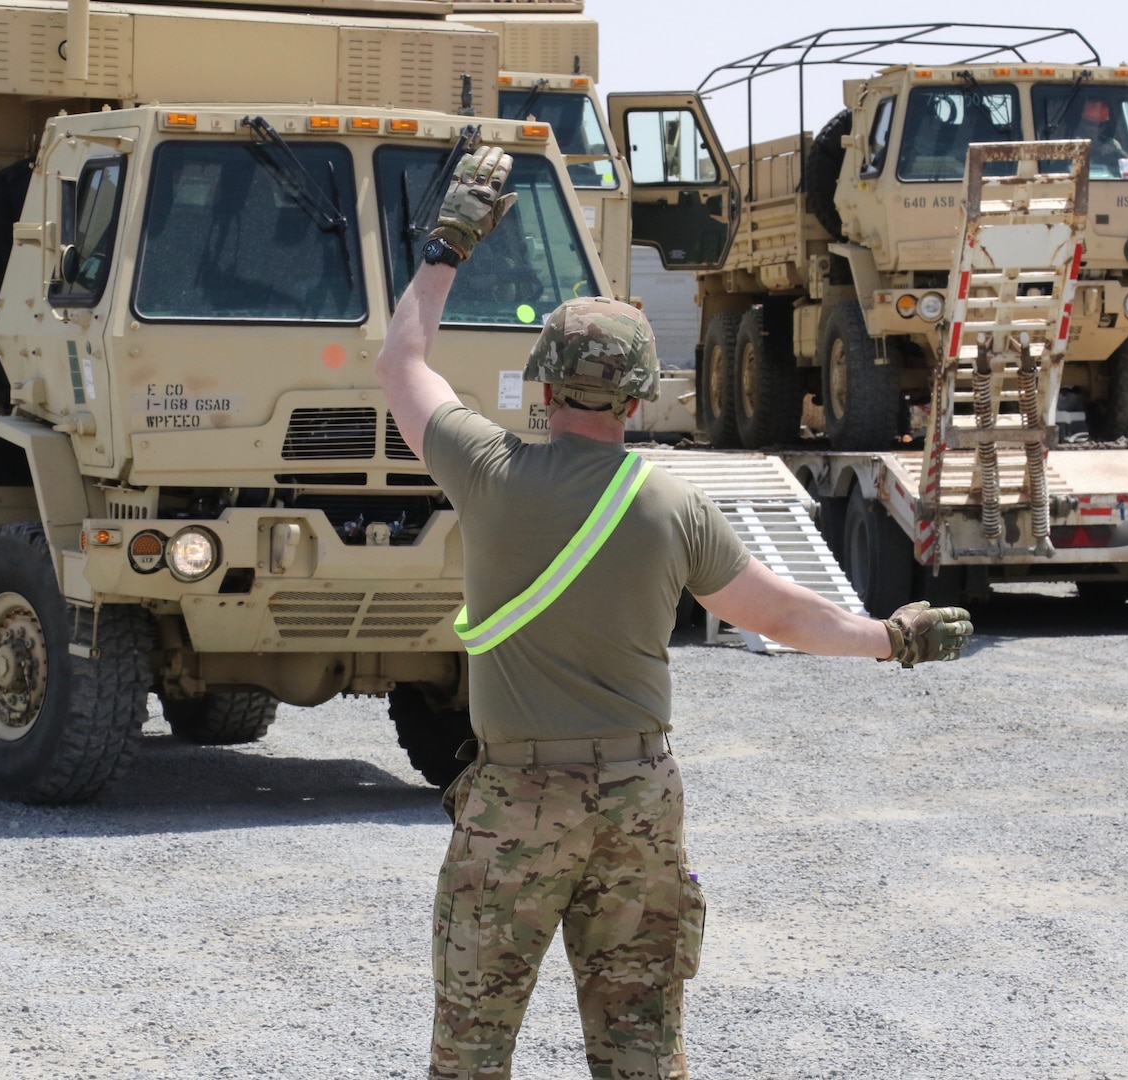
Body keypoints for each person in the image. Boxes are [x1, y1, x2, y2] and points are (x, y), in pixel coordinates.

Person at [375, 145, 974, 1080]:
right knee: (642, 1050)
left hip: (516, 806)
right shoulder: (671, 508)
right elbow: (783, 616)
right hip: (637, 803)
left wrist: (449, 245)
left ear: (542, 383)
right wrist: (891, 638)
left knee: (472, 1053)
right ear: (639, 394)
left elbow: (402, 359)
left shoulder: (486, 474)